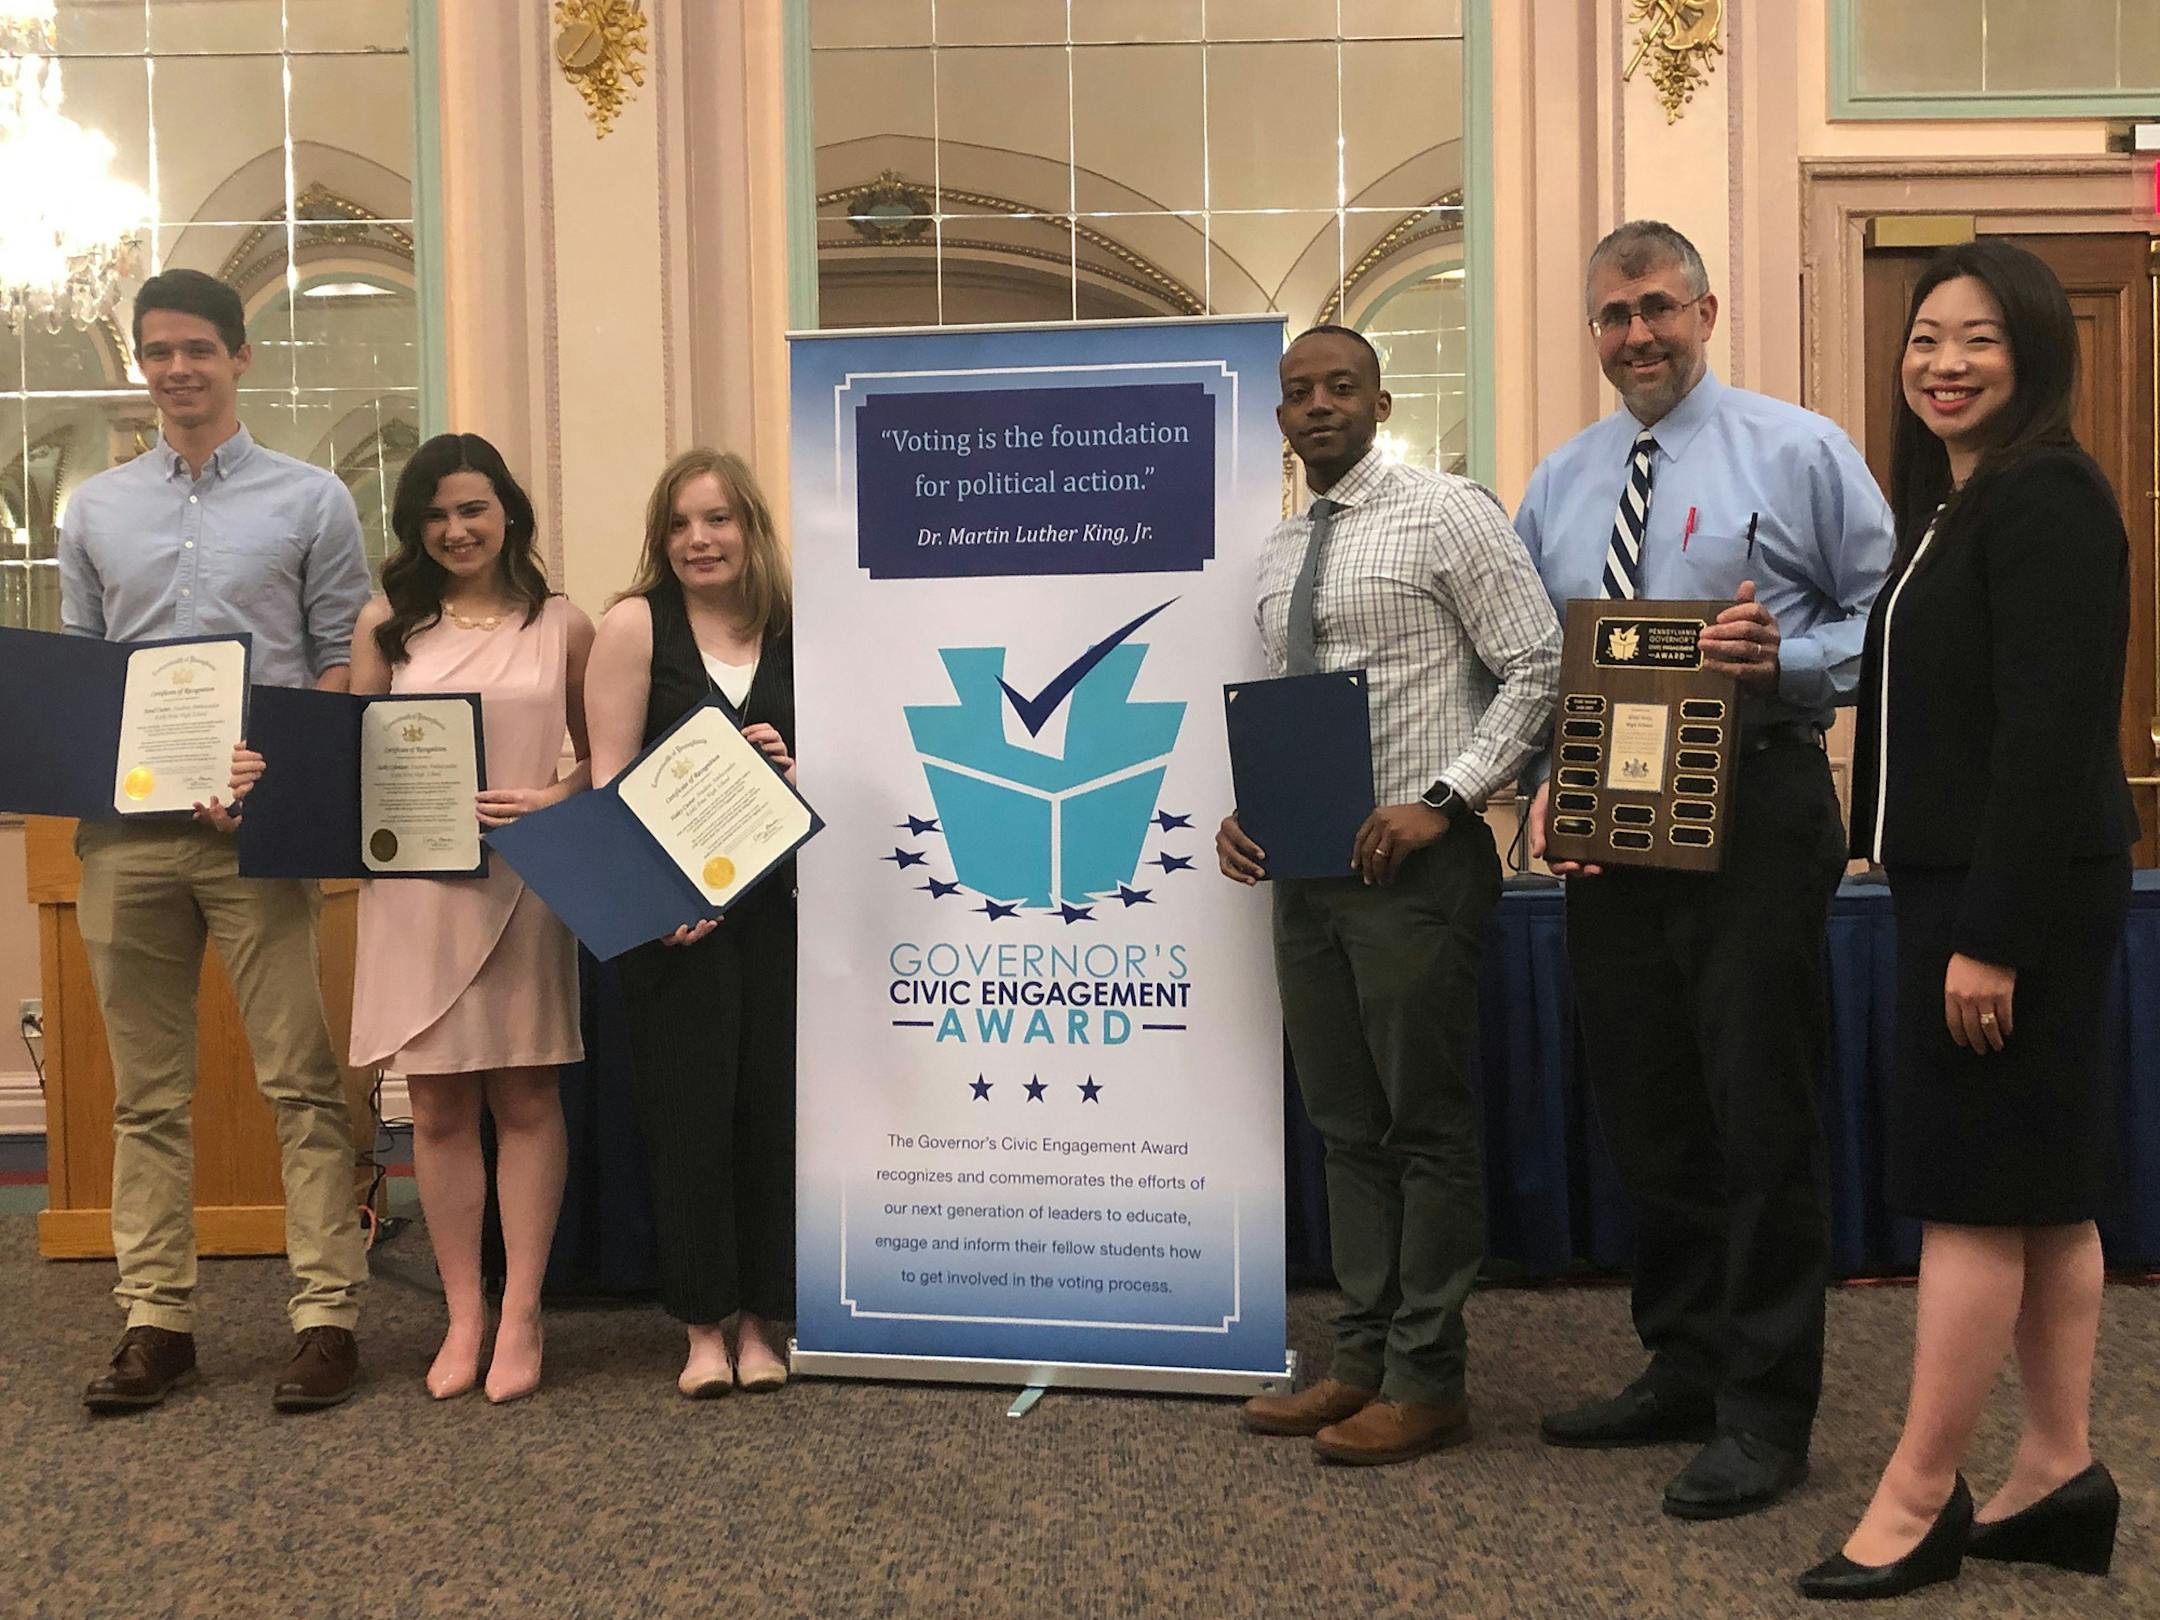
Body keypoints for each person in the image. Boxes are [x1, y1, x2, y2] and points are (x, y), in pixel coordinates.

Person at [1515, 221, 1893, 1516]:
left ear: (1709, 311)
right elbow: (1536, 665)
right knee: (1650, 1111)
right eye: (1614, 316)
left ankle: (1766, 1409)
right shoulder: (1559, 483)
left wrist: (1777, 659)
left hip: (1757, 804)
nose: (1638, 336)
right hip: (1613, 830)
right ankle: (1682, 1365)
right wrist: (1545, 795)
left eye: (1659, 309)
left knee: (1758, 1111)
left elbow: (1887, 622)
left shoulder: (1799, 450)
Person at [1796, 241, 2136, 1601]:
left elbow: (2052, 739)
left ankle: (1919, 1497)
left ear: (2037, 351)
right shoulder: (1958, 503)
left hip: (2012, 894)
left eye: (1980, 338)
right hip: (1981, 882)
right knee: (2043, 1196)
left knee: (1972, 1202)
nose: (1944, 360)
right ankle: (2058, 1467)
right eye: (1927, 336)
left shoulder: (2046, 494)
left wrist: (1986, 933)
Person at [1217, 325, 1561, 1465]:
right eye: (1299, 393)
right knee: (1344, 1125)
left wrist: (1448, 797)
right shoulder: (1276, 552)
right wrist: (1252, 808)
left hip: (1416, 870)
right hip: (1305, 874)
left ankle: (1428, 1377)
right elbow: (1290, 711)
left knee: (1422, 1124)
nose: (1318, 406)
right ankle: (1358, 1360)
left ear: (1380, 400)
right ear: (1281, 417)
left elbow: (1538, 665)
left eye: (1340, 388)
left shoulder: (1450, 512)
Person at [59, 268, 373, 1412]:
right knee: (146, 1094)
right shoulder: (94, 510)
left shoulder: (311, 500)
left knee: (300, 1081)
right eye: (158, 352)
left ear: (241, 358)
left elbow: (339, 660)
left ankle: (327, 1316)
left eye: (198, 348)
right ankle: (157, 1321)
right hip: (128, 837)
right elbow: (88, 676)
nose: (178, 369)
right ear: (141, 367)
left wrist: (281, 770)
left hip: (261, 830)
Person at [232, 434, 593, 1405]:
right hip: (413, 889)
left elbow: (607, 759)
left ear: (507, 510)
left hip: (523, 881)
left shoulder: (562, 622)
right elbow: (347, 756)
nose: (455, 529)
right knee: (433, 1106)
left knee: (523, 1099)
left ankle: (521, 1312)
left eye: (472, 508)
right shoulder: (387, 622)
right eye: (434, 515)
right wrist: (257, 761)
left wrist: (554, 798)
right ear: (413, 528)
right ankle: (463, 1312)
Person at [584, 448, 798, 1398]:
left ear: (750, 528)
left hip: (784, 917)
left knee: (771, 1120)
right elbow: (605, 780)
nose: (698, 540)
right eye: (679, 523)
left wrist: (793, 769)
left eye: (717, 520)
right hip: (678, 925)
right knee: (689, 1123)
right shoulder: (635, 625)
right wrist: (659, 900)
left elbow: (845, 768)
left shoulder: (799, 627)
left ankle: (763, 1325)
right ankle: (703, 1332)